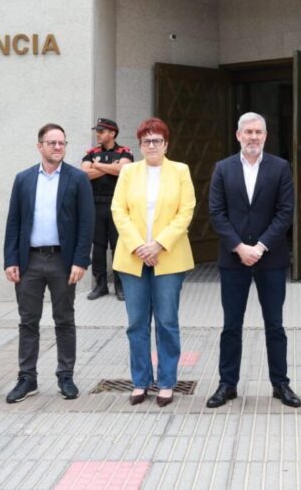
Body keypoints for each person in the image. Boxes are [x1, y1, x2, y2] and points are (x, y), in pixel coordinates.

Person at [206, 112, 299, 409]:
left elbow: (285, 212)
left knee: (275, 325)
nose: (253, 137)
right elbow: (216, 213)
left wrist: (259, 247)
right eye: (248, 132)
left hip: (270, 260)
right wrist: (238, 246)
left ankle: (280, 384)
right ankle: (227, 384)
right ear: (238, 135)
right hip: (233, 261)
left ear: (265, 136)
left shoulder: (281, 167)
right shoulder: (223, 169)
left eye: (258, 132)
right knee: (231, 325)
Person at [3, 123, 94, 404]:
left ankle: (65, 376)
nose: (57, 147)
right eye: (52, 142)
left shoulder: (77, 179)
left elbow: (86, 223)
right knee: (28, 321)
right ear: (39, 145)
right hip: (29, 261)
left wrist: (80, 261)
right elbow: (14, 221)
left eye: (62, 143)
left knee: (64, 320)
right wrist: (11, 260)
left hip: (62, 262)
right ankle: (27, 378)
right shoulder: (24, 179)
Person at [110, 118, 195, 407]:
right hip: (132, 258)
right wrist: (139, 246)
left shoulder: (180, 171)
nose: (152, 145)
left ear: (166, 144)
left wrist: (158, 244)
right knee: (136, 323)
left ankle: (167, 382)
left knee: (167, 321)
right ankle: (140, 381)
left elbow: (186, 211)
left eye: (157, 140)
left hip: (168, 257)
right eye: (146, 141)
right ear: (140, 145)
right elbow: (118, 210)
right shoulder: (129, 172)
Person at [82, 117, 133, 301]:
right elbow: (85, 174)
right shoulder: (91, 152)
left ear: (112, 133)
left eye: (102, 131)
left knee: (119, 245)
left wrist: (97, 166)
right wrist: (112, 168)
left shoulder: (124, 152)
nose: (98, 134)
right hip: (96, 204)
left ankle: (120, 285)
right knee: (98, 246)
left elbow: (124, 170)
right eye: (97, 131)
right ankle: (100, 284)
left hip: (117, 205)